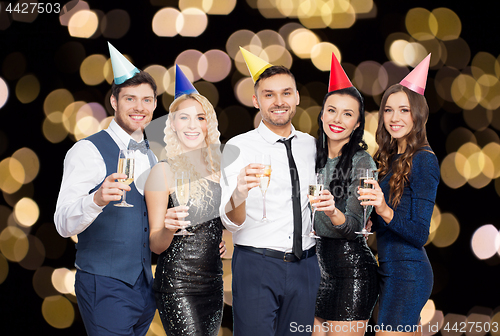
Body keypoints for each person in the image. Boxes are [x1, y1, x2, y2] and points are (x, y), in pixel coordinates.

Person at [219, 47, 333, 336]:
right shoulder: (238, 147)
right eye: (269, 94)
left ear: (296, 97)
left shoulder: (314, 146)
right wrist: (239, 192)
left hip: (306, 266)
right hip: (257, 265)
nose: (278, 101)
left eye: (286, 93)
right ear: (256, 100)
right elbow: (230, 221)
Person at [54, 43, 158, 335]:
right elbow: (62, 224)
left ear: (154, 105)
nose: (139, 107)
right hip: (105, 284)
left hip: (144, 288)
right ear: (114, 101)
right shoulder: (87, 150)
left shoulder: (151, 154)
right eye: (130, 98)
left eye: (147, 100)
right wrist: (97, 199)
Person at [359, 54, 439, 336]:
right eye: (389, 110)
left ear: (418, 115)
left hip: (409, 274)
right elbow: (391, 224)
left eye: (404, 110)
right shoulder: (389, 159)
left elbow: (419, 233)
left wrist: (383, 210)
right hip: (389, 270)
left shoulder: (424, 160)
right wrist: (370, 222)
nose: (394, 118)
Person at [144, 65, 224, 336]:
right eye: (183, 118)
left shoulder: (218, 172)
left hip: (214, 284)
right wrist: (168, 226)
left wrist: (221, 241)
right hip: (178, 285)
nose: (192, 125)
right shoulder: (162, 171)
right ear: (173, 125)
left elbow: (218, 226)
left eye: (199, 118)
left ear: (208, 124)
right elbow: (156, 244)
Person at [312, 54, 378, 336]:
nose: (337, 119)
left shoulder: (363, 163)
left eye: (347, 114)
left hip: (353, 273)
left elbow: (355, 228)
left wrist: (331, 210)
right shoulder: (309, 155)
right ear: (322, 114)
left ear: (357, 124)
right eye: (332, 110)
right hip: (318, 272)